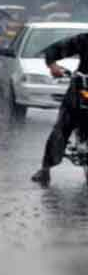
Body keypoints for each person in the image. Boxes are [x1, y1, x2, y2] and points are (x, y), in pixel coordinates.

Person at [31, 32, 88, 185]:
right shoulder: (84, 40)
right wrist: (53, 65)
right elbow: (54, 50)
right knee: (63, 126)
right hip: (81, 90)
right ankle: (45, 169)